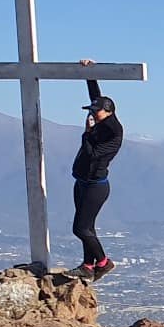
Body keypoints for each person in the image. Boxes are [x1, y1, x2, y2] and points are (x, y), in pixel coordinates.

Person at [69, 59, 122, 282]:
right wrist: (90, 73)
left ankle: (103, 262)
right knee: (87, 228)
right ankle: (87, 266)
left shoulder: (113, 133)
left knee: (80, 229)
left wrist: (87, 133)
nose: (92, 114)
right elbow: (96, 96)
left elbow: (92, 154)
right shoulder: (102, 120)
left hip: (95, 185)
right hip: (82, 181)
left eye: (96, 111)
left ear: (107, 112)